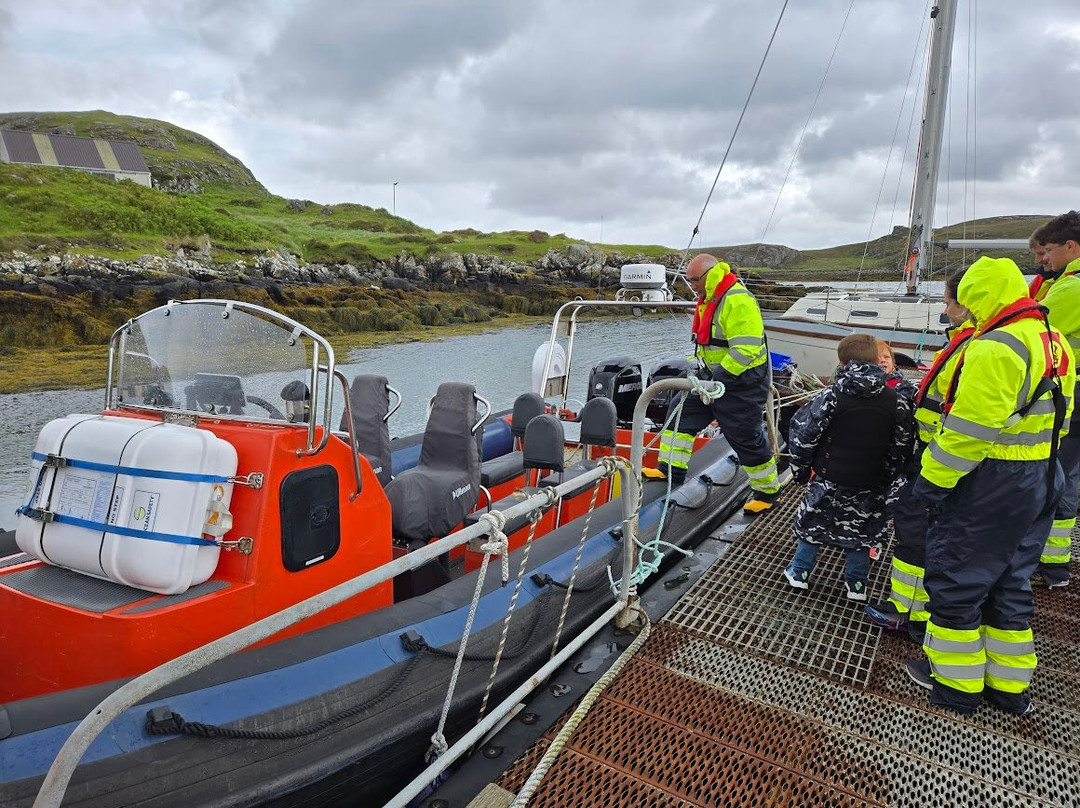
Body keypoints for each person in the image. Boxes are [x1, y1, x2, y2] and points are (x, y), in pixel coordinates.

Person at [905, 256, 1074, 716]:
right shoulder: (1053, 339)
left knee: (957, 579)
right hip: (1044, 473)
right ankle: (1009, 685)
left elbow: (969, 433)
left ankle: (956, 686)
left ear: (979, 297)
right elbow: (1061, 415)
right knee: (1012, 580)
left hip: (994, 481)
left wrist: (932, 482)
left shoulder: (994, 348)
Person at [865, 273, 975, 641]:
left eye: (948, 302)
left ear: (968, 303)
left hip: (940, 457)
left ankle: (910, 612)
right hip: (941, 455)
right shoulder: (971, 341)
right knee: (925, 532)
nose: (945, 309)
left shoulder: (975, 347)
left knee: (916, 531)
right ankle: (914, 609)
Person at [783, 333, 914, 601]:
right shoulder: (897, 401)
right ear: (877, 360)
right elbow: (902, 446)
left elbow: (802, 435)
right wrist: (889, 478)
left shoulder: (830, 396)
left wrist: (801, 471)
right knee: (864, 533)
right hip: (872, 482)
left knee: (812, 525)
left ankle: (799, 573)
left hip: (828, 478)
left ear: (842, 363)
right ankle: (856, 586)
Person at [658, 253, 781, 513]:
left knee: (745, 435)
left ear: (710, 274)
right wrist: (707, 378)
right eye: (689, 280)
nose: (691, 286)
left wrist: (718, 381)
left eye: (694, 280)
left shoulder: (737, 300)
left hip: (742, 381)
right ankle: (670, 471)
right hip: (712, 378)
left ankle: (768, 492)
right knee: (680, 412)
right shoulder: (710, 298)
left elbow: (746, 350)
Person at [1027, 211, 1080, 587]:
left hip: (1071, 396)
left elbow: (1030, 330)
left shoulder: (1071, 289)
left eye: (1048, 251)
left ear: (1070, 247)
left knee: (1049, 475)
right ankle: (1054, 563)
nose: (1045, 259)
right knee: (1067, 475)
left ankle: (1034, 560)